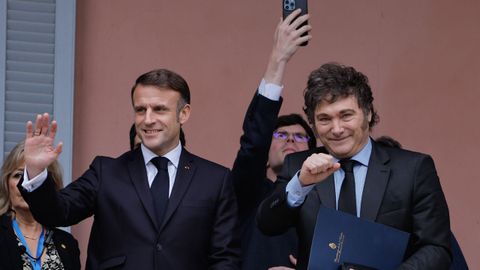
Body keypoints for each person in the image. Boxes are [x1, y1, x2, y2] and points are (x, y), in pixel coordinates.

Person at [18, 69, 240, 269]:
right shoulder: (106, 171)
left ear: (183, 114)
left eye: (160, 109)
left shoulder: (215, 180)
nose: (148, 119)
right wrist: (36, 172)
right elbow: (58, 212)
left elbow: (225, 258)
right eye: (141, 110)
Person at [256, 63, 452, 269]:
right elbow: (267, 224)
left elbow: (436, 248)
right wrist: (300, 184)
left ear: (368, 113)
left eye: (346, 115)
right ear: (313, 124)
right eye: (324, 119)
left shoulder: (413, 168)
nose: (337, 128)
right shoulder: (298, 165)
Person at [231, 9, 313, 270]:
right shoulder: (251, 193)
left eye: (300, 136)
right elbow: (254, 142)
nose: (291, 140)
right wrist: (278, 59)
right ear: (265, 157)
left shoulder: (329, 200)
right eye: (280, 135)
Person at [0, 140, 81, 270]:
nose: (26, 184)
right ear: (6, 184)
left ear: (50, 186)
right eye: (18, 175)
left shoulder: (68, 243)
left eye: (34, 176)